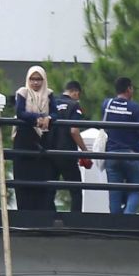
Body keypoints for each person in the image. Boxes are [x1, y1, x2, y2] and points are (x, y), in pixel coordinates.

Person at [12, 65, 56, 212]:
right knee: (23, 181)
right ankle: (24, 214)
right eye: (32, 79)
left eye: (39, 79)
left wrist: (48, 118)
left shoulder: (48, 94)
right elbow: (20, 112)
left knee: (41, 180)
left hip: (42, 141)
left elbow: (55, 113)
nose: (35, 83)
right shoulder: (23, 92)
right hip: (24, 140)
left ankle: (40, 216)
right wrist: (37, 118)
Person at [101, 76, 139, 215]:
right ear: (129, 89)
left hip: (112, 154)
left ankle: (115, 223)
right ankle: (128, 217)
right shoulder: (136, 108)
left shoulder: (107, 104)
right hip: (130, 153)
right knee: (136, 188)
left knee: (114, 192)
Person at [50, 80, 89, 210]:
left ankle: (48, 219)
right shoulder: (74, 105)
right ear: (75, 92)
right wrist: (84, 150)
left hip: (50, 152)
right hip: (67, 153)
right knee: (76, 190)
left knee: (49, 190)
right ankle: (75, 221)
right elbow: (74, 130)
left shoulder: (52, 102)